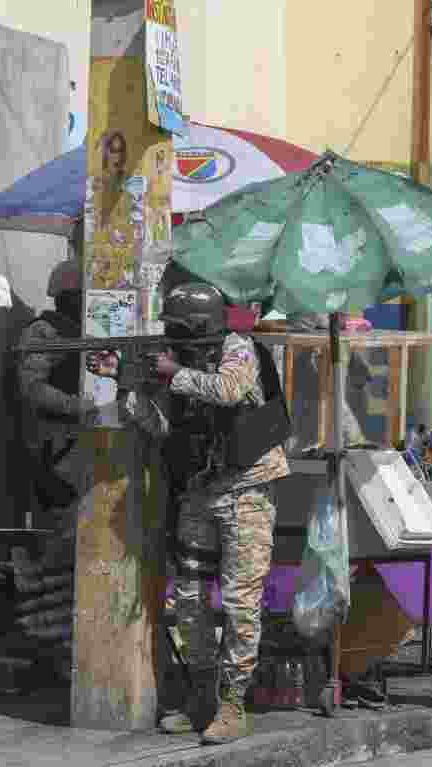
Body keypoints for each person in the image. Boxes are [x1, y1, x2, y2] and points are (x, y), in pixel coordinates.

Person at [86, 281, 290, 745]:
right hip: (200, 491)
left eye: (178, 329)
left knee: (240, 603)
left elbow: (231, 391)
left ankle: (233, 703)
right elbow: (160, 428)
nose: (172, 337)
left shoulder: (240, 349)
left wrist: (172, 371)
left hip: (247, 490)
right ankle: (201, 696)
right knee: (191, 600)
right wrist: (125, 384)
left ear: (198, 327)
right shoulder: (181, 365)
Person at [17, 261, 94, 535]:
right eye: (82, 296)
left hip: (86, 442)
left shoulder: (90, 331)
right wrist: (76, 406)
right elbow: (32, 388)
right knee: (62, 524)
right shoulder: (45, 331)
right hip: (58, 441)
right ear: (67, 297)